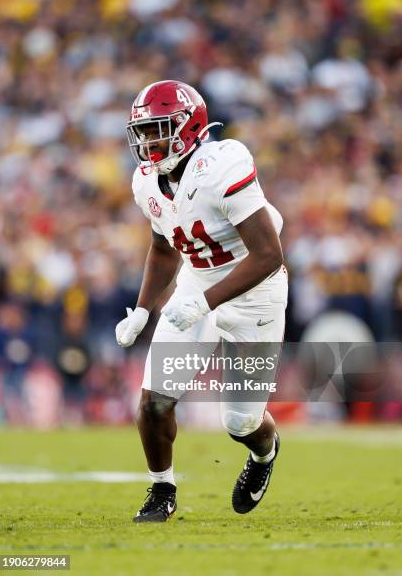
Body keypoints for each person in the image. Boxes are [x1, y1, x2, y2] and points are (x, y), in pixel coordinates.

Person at [116, 80, 288, 522]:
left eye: (159, 129)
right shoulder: (148, 183)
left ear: (188, 127)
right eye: (145, 132)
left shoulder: (221, 164)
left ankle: (265, 455)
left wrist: (204, 303)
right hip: (198, 282)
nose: (150, 142)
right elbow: (163, 246)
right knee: (155, 401)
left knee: (240, 423)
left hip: (256, 291)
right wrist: (141, 308)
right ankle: (162, 490)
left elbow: (269, 255)